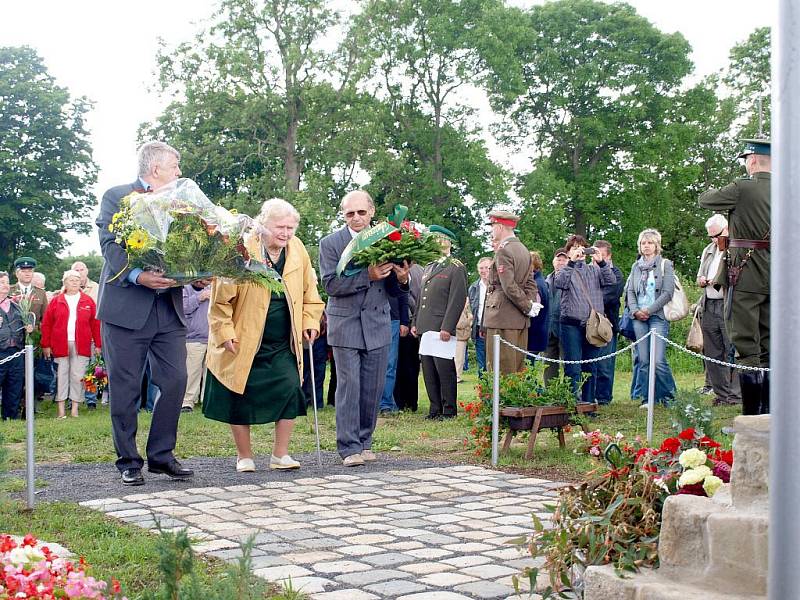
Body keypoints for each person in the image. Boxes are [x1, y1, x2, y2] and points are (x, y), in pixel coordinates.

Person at [96, 140, 192, 486]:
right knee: (125, 388)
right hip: (126, 309)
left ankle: (162, 456)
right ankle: (128, 461)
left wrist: (198, 273)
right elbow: (109, 246)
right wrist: (138, 276)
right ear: (155, 169)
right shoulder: (117, 196)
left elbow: (191, 250)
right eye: (175, 167)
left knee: (177, 380)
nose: (179, 173)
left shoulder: (184, 205)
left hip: (168, 310)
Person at [204, 198, 323, 472]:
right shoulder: (239, 249)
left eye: (291, 228)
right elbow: (220, 301)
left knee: (291, 388)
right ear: (262, 225)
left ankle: (280, 454)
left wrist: (310, 321)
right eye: (280, 227)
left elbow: (310, 293)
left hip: (284, 340)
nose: (286, 233)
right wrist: (224, 333)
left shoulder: (298, 250)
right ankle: (244, 456)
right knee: (239, 393)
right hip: (244, 338)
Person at [319, 189, 410, 466]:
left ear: (371, 211)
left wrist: (403, 279)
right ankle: (348, 447)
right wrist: (367, 275)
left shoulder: (389, 239)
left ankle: (365, 441)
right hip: (345, 323)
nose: (356, 218)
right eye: (350, 213)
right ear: (343, 215)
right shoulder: (330, 244)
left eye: (361, 212)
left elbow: (394, 290)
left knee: (372, 387)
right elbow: (330, 285)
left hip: (378, 324)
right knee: (349, 386)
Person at [699, 139, 770, 415]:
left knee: (746, 344)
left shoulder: (742, 188)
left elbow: (706, 199)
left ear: (752, 160)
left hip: (747, 276)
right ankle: (771, 412)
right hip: (778, 278)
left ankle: (753, 416)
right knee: (770, 345)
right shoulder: (788, 188)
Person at [412, 226, 468, 420]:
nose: (433, 242)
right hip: (426, 326)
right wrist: (415, 322)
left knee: (444, 370)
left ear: (447, 242)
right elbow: (421, 298)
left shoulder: (456, 266)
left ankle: (449, 409)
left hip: (441, 327)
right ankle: (434, 408)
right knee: (428, 370)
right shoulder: (429, 266)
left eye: (436, 239)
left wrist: (448, 327)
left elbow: (457, 299)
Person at [555, 235, 616, 404]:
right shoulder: (565, 269)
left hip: (592, 326)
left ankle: (588, 405)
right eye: (574, 248)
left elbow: (611, 281)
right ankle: (572, 403)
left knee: (590, 367)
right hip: (571, 325)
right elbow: (559, 283)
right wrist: (571, 263)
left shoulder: (594, 269)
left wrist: (601, 262)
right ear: (567, 252)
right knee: (573, 366)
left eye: (582, 247)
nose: (579, 251)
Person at [483, 208, 540, 374]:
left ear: (500, 227)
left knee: (500, 367)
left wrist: (527, 306)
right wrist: (528, 304)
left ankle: (499, 401)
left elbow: (508, 286)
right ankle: (510, 399)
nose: (492, 231)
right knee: (516, 366)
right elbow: (530, 283)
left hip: (501, 317)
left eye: (492, 226)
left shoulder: (504, 250)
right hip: (519, 318)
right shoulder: (523, 250)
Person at [625, 229, 677, 406]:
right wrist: (635, 310)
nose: (646, 246)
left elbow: (668, 292)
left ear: (656, 245)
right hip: (638, 317)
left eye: (650, 243)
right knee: (644, 360)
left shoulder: (665, 264)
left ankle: (671, 397)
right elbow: (630, 291)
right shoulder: (635, 266)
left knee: (658, 361)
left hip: (657, 317)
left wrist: (649, 310)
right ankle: (649, 398)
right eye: (643, 243)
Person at [40, 270, 102, 418]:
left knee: (78, 376)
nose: (74, 282)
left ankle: (75, 408)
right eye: (71, 280)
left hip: (82, 344)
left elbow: (95, 324)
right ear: (65, 282)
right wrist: (46, 345)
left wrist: (99, 345)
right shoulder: (56, 301)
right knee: (61, 376)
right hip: (60, 344)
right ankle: (61, 410)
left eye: (77, 280)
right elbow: (47, 324)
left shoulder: (87, 301)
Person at [696, 214, 742, 406]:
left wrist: (718, 281)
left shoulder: (736, 249)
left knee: (733, 351)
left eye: (717, 235)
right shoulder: (709, 250)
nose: (715, 240)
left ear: (727, 229)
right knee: (712, 352)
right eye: (711, 236)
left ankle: (736, 395)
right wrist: (701, 280)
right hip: (709, 304)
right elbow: (700, 274)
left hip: (728, 304)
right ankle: (721, 394)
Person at [591, 240, 624, 405]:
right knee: (591, 362)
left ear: (608, 256)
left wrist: (589, 301)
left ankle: (604, 398)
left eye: (601, 256)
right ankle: (590, 396)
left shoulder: (616, 274)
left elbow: (610, 295)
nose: (597, 259)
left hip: (607, 324)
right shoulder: (588, 272)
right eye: (595, 256)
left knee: (604, 364)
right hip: (589, 323)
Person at [393, 263, 424, 411]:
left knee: (406, 364)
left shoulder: (416, 270)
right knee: (408, 364)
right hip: (410, 321)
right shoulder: (421, 269)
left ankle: (406, 402)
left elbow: (410, 296)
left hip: (407, 321)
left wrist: (408, 320)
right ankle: (409, 402)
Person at [0, 271, 29, 420]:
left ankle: (10, 418)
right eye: (2, 282)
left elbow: (25, 324)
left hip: (16, 351)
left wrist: (29, 327)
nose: (5, 285)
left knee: (14, 386)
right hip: (0, 352)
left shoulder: (16, 305)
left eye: (6, 282)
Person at [181, 278, 212, 413]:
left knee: (211, 372)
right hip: (193, 338)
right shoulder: (185, 287)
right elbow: (182, 308)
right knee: (192, 372)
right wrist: (200, 297)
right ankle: (187, 402)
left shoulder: (214, 286)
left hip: (213, 338)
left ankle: (208, 401)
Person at [378, 290, 409, 415]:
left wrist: (404, 321)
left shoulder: (396, 271)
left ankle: (386, 403)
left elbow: (403, 292)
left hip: (392, 319)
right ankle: (376, 402)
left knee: (389, 365)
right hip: (368, 318)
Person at [543, 248, 568, 384]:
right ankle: (551, 391)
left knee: (567, 362)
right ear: (553, 262)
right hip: (549, 328)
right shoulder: (546, 280)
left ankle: (569, 391)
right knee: (549, 362)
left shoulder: (572, 279)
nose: (561, 262)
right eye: (559, 259)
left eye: (564, 260)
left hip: (565, 326)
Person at [468, 257, 492, 376]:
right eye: (481, 268)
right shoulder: (473, 288)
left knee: (493, 361)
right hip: (478, 329)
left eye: (486, 268)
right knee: (481, 363)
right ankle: (483, 391)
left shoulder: (498, 286)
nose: (484, 271)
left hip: (493, 328)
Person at [526, 251, 550, 357]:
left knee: (527, 367)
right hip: (539, 332)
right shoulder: (541, 281)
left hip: (533, 334)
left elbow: (533, 311)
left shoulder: (535, 285)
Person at [454, 299, 473, 383]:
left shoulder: (464, 310)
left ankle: (458, 375)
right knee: (459, 358)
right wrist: (469, 319)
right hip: (459, 336)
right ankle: (456, 376)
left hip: (463, 336)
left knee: (460, 358)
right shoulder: (459, 309)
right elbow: (460, 323)